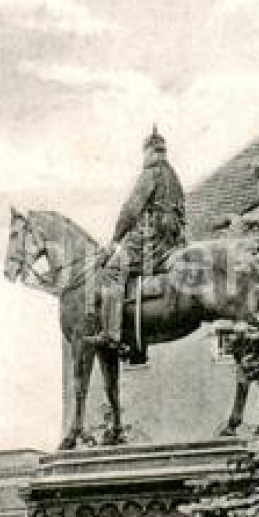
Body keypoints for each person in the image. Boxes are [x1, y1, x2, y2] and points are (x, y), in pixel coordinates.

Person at [86, 128, 186, 364]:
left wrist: (115, 239)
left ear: (149, 151)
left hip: (151, 239)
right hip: (173, 238)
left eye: (146, 152)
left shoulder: (150, 173)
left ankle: (111, 333)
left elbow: (131, 209)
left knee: (111, 272)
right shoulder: (174, 176)